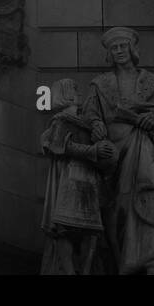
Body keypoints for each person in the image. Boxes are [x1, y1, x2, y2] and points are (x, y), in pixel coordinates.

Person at [82, 28, 154, 275]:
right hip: (116, 156)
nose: (119, 51)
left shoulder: (153, 82)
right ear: (109, 53)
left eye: (123, 46)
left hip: (147, 147)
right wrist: (97, 125)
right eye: (114, 48)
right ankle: (126, 264)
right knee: (122, 207)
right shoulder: (100, 84)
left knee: (152, 194)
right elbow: (90, 114)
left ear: (132, 49)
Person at [40, 79, 114, 275]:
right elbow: (63, 146)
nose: (78, 92)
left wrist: (102, 148)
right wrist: (94, 150)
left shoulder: (86, 122)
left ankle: (86, 270)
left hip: (90, 179)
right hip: (71, 176)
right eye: (74, 88)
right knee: (65, 227)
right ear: (65, 94)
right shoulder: (61, 120)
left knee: (93, 230)